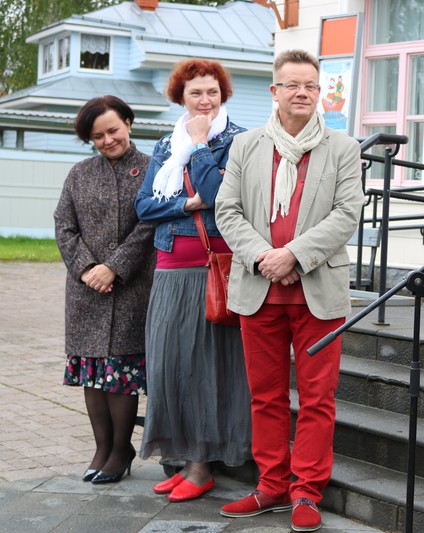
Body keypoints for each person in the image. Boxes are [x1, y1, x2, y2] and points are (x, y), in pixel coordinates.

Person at [215, 49, 364, 532]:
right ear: (275, 91)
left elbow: (347, 213)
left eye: (310, 86)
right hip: (259, 289)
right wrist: (265, 256)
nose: (302, 93)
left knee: (318, 398)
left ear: (320, 93)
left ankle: (306, 492)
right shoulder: (246, 146)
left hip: (318, 292)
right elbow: (227, 211)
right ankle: (272, 485)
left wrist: (294, 255)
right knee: (266, 396)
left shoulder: (343, 148)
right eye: (292, 85)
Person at [135, 59, 251, 503]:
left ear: (223, 96)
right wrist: (186, 204)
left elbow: (220, 196)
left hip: (211, 269)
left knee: (204, 368)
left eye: (212, 92)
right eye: (196, 93)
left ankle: (202, 468)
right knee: (171, 367)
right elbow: (144, 207)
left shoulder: (239, 140)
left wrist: (201, 146)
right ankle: (184, 461)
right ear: (180, 97)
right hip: (168, 268)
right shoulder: (167, 144)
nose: (205, 100)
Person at [54, 96, 155, 485]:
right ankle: (102, 448)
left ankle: (120, 450)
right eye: (98, 136)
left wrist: (114, 266)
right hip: (86, 291)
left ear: (128, 122)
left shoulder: (152, 169)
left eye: (113, 130)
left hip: (132, 288)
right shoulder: (79, 173)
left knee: (121, 373)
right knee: (93, 372)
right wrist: (86, 269)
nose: (107, 140)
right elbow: (64, 225)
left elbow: (149, 225)